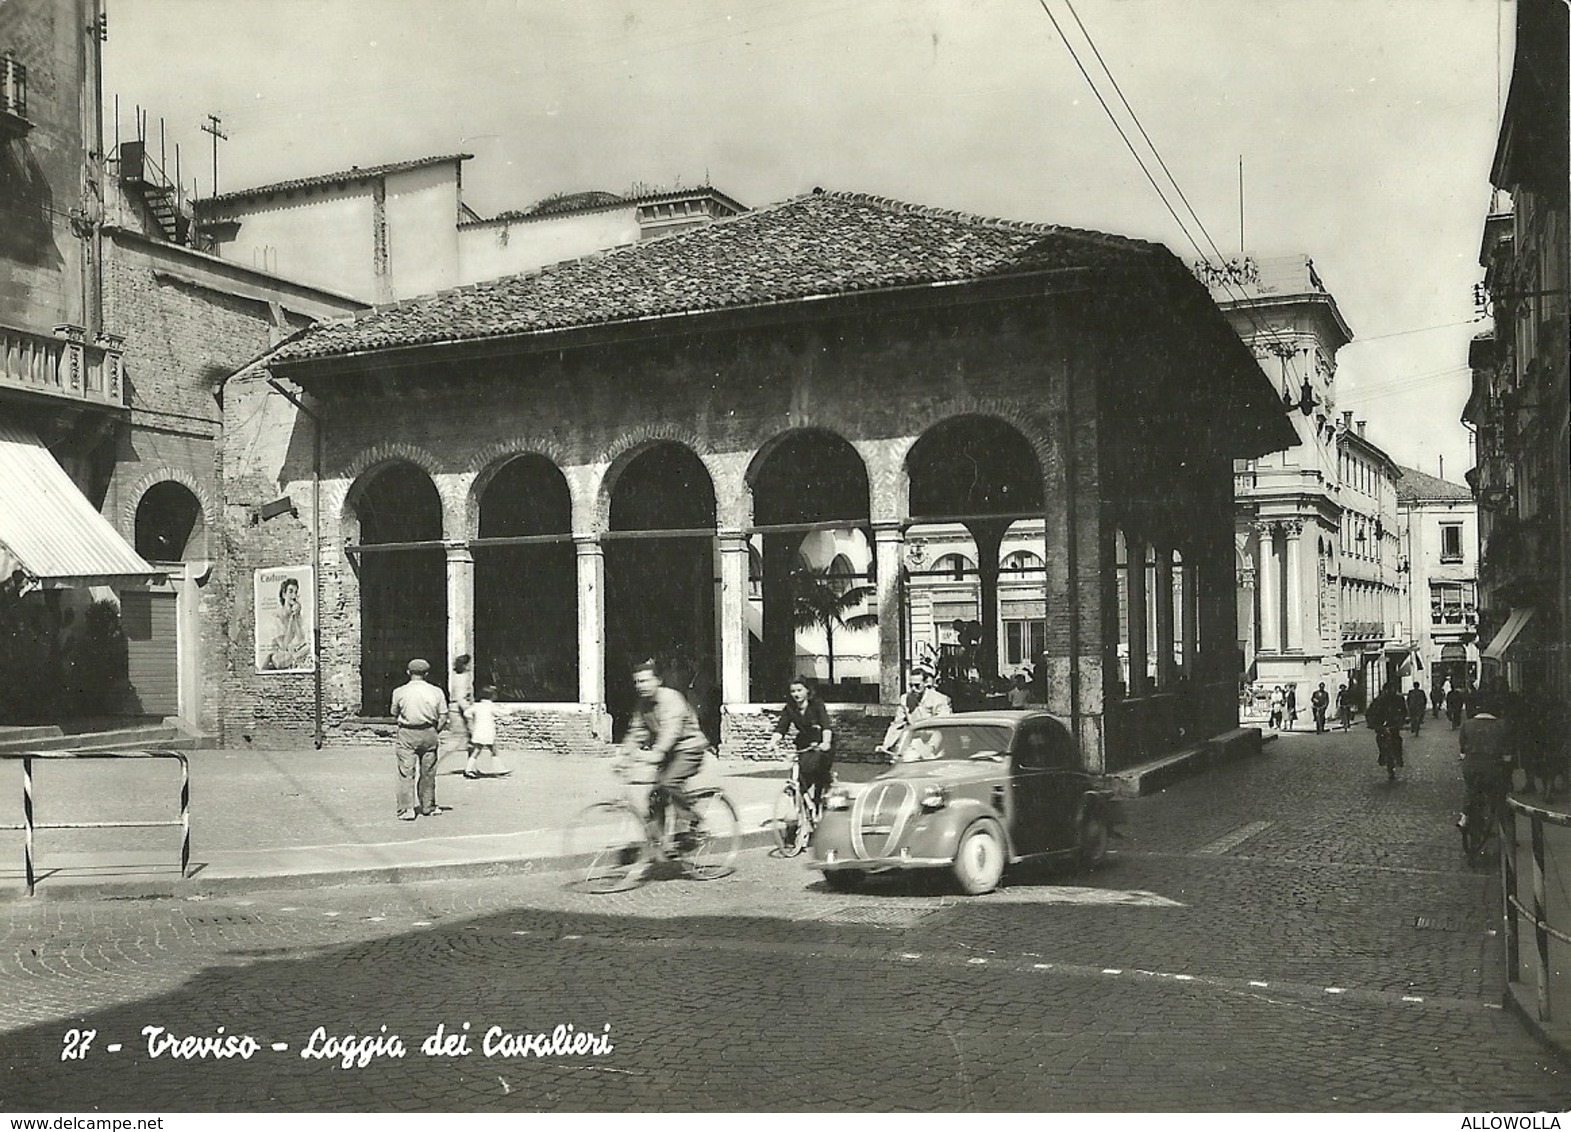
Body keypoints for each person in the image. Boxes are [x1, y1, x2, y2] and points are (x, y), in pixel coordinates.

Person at [621, 659, 711, 852]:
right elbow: (636, 732)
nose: (640, 686)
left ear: (658, 680)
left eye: (645, 681)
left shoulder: (671, 698)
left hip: (689, 749)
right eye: (637, 682)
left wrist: (657, 752)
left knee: (669, 783)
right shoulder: (643, 705)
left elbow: (672, 729)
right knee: (655, 795)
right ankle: (661, 843)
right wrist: (624, 756)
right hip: (669, 754)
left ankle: (692, 823)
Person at [764, 677, 834, 851]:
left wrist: (826, 743)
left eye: (799, 690)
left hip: (820, 746)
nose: (796, 694)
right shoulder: (790, 708)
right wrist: (773, 742)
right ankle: (793, 829)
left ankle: (819, 807)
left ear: (807, 691)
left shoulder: (817, 704)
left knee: (816, 775)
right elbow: (782, 727)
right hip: (803, 745)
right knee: (797, 785)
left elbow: (826, 725)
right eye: (793, 691)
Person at [390, 658, 449, 820]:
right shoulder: (436, 691)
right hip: (429, 733)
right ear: (427, 674)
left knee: (406, 773)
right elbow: (443, 716)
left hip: (407, 733)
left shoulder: (399, 691)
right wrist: (434, 731)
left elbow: (394, 713)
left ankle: (406, 810)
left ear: (408, 672)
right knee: (428, 772)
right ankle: (428, 806)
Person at [1458, 692, 1514, 834]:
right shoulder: (1502, 725)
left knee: (1470, 789)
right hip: (1493, 766)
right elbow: (1508, 752)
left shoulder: (1467, 724)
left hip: (1471, 765)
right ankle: (1505, 827)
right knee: (1498, 794)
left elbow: (1462, 748)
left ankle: (1464, 816)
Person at [878, 662, 952, 754]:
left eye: (917, 685)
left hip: (936, 744)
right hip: (915, 742)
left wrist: (931, 747)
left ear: (925, 683)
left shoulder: (939, 699)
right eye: (910, 685)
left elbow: (942, 726)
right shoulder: (905, 699)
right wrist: (886, 745)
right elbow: (897, 725)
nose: (913, 689)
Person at [262, 576, 312, 671]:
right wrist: (291, 619)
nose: (294, 596)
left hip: (293, 653)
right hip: (279, 658)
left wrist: (296, 616)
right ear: (284, 594)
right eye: (291, 591)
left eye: (296, 592)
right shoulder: (276, 617)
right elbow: (284, 645)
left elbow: (301, 638)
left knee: (307, 649)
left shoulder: (297, 615)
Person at [463, 684, 510, 779]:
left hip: (478, 731)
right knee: (492, 750)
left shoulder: (477, 705)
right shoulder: (490, 706)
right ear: (492, 696)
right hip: (488, 732)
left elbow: (466, 713)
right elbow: (501, 712)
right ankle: (499, 769)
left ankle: (469, 769)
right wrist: (508, 709)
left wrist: (471, 720)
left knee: (479, 750)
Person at [1367, 682, 1406, 782]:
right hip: (1381, 725)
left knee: (1397, 740)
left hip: (1394, 724)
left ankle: (1399, 756)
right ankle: (1382, 754)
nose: (1391, 691)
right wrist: (1372, 723)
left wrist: (1402, 720)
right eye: (1389, 689)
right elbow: (1370, 712)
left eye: (1392, 689)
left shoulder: (1398, 699)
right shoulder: (1379, 700)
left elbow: (1404, 711)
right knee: (1380, 739)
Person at [449, 654, 475, 774]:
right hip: (461, 711)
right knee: (457, 741)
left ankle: (471, 767)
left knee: (471, 740)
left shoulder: (458, 676)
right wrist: (468, 712)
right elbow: (461, 698)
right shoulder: (463, 678)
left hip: (460, 709)